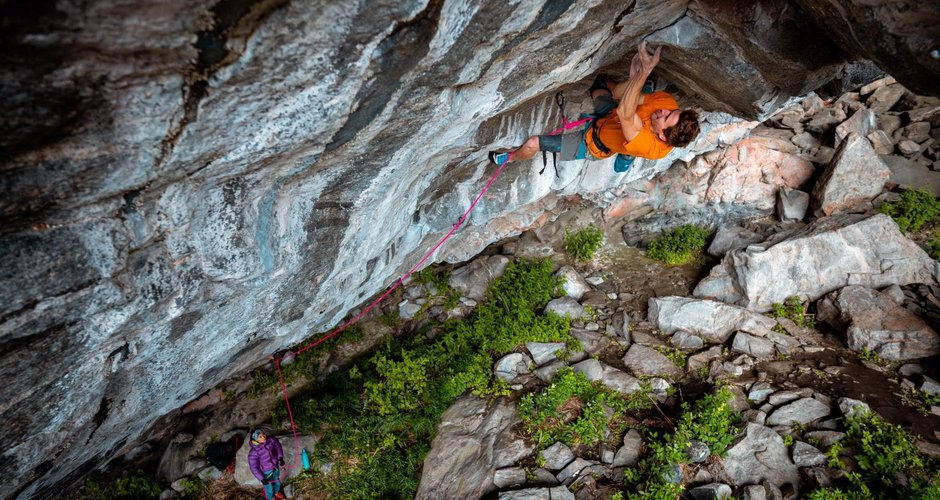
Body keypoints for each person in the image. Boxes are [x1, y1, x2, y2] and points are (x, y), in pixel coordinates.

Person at [489, 41, 700, 170]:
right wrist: (633, 78)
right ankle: (643, 92)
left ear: (663, 136)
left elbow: (626, 114)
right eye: (672, 111)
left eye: (665, 118)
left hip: (593, 144)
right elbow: (619, 95)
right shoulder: (667, 104)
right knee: (600, 85)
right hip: (609, 116)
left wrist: (643, 74)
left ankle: (510, 158)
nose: (665, 110)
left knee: (533, 143)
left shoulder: (651, 147)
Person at [248, 429, 286, 500]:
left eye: (263, 434)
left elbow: (278, 446)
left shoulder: (271, 440)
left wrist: (280, 458)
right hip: (266, 472)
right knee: (268, 486)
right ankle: (271, 497)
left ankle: (276, 492)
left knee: (277, 481)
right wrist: (261, 478)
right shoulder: (253, 452)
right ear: (256, 440)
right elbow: (254, 467)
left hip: (275, 466)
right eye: (260, 437)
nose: (263, 437)